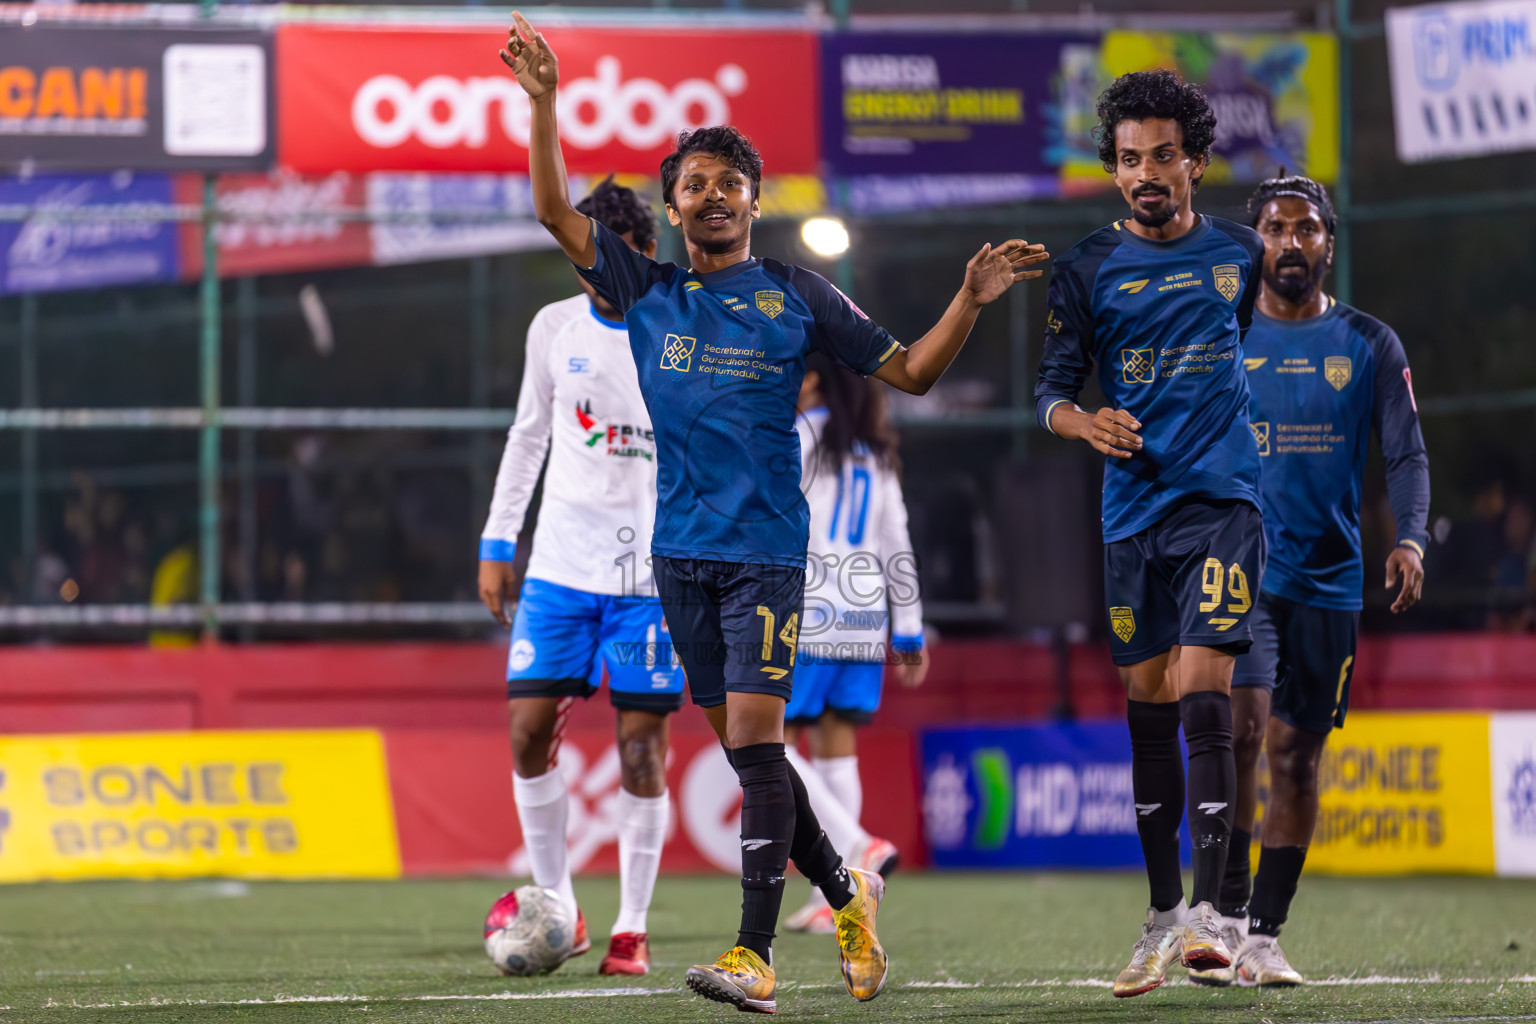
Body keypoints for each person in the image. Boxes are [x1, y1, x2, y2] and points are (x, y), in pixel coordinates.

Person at [499, 11, 1047, 1013]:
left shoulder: (797, 295)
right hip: (679, 558)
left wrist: (968, 299)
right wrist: (544, 105)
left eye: (730, 182)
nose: (713, 195)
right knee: (753, 753)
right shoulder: (647, 292)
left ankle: (754, 955)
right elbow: (550, 209)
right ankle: (848, 889)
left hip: (763, 555)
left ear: (755, 200)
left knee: (756, 741)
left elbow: (915, 373)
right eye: (695, 183)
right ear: (671, 205)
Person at [1034, 68, 1266, 998]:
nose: (1146, 174)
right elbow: (1049, 390)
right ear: (1115, 170)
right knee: (1147, 703)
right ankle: (1164, 912)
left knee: (1208, 681)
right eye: (1130, 160)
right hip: (1130, 511)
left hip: (1221, 499)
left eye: (1163, 156)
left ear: (1196, 163)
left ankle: (1216, 917)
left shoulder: (1240, 254)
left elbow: (1239, 340)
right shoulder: (1085, 267)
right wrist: (1085, 424)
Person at [1189, 173, 1429, 988]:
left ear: (1330, 241)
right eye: (1274, 227)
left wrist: (1414, 539)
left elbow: (1405, 452)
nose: (1290, 242)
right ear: (1253, 238)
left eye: (1306, 229)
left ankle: (1263, 933)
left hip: (1330, 580)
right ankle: (1219, 915)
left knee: (1296, 758)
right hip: (1242, 568)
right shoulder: (1220, 332)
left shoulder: (1369, 344)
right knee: (1245, 730)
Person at [477, 178, 682, 977]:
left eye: (607, 255)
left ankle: (632, 926)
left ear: (643, 255)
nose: (591, 270)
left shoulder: (677, 328)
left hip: (646, 579)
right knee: (527, 735)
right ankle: (559, 907)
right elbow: (527, 438)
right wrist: (499, 540)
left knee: (640, 752)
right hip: (559, 571)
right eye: (580, 253)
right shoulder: (552, 328)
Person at [783, 353, 927, 935]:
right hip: (865, 616)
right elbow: (898, 538)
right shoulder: (874, 452)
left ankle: (856, 848)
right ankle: (838, 894)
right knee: (836, 747)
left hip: (809, 607)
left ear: (813, 379)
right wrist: (910, 625)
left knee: (766, 744)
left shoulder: (797, 439)